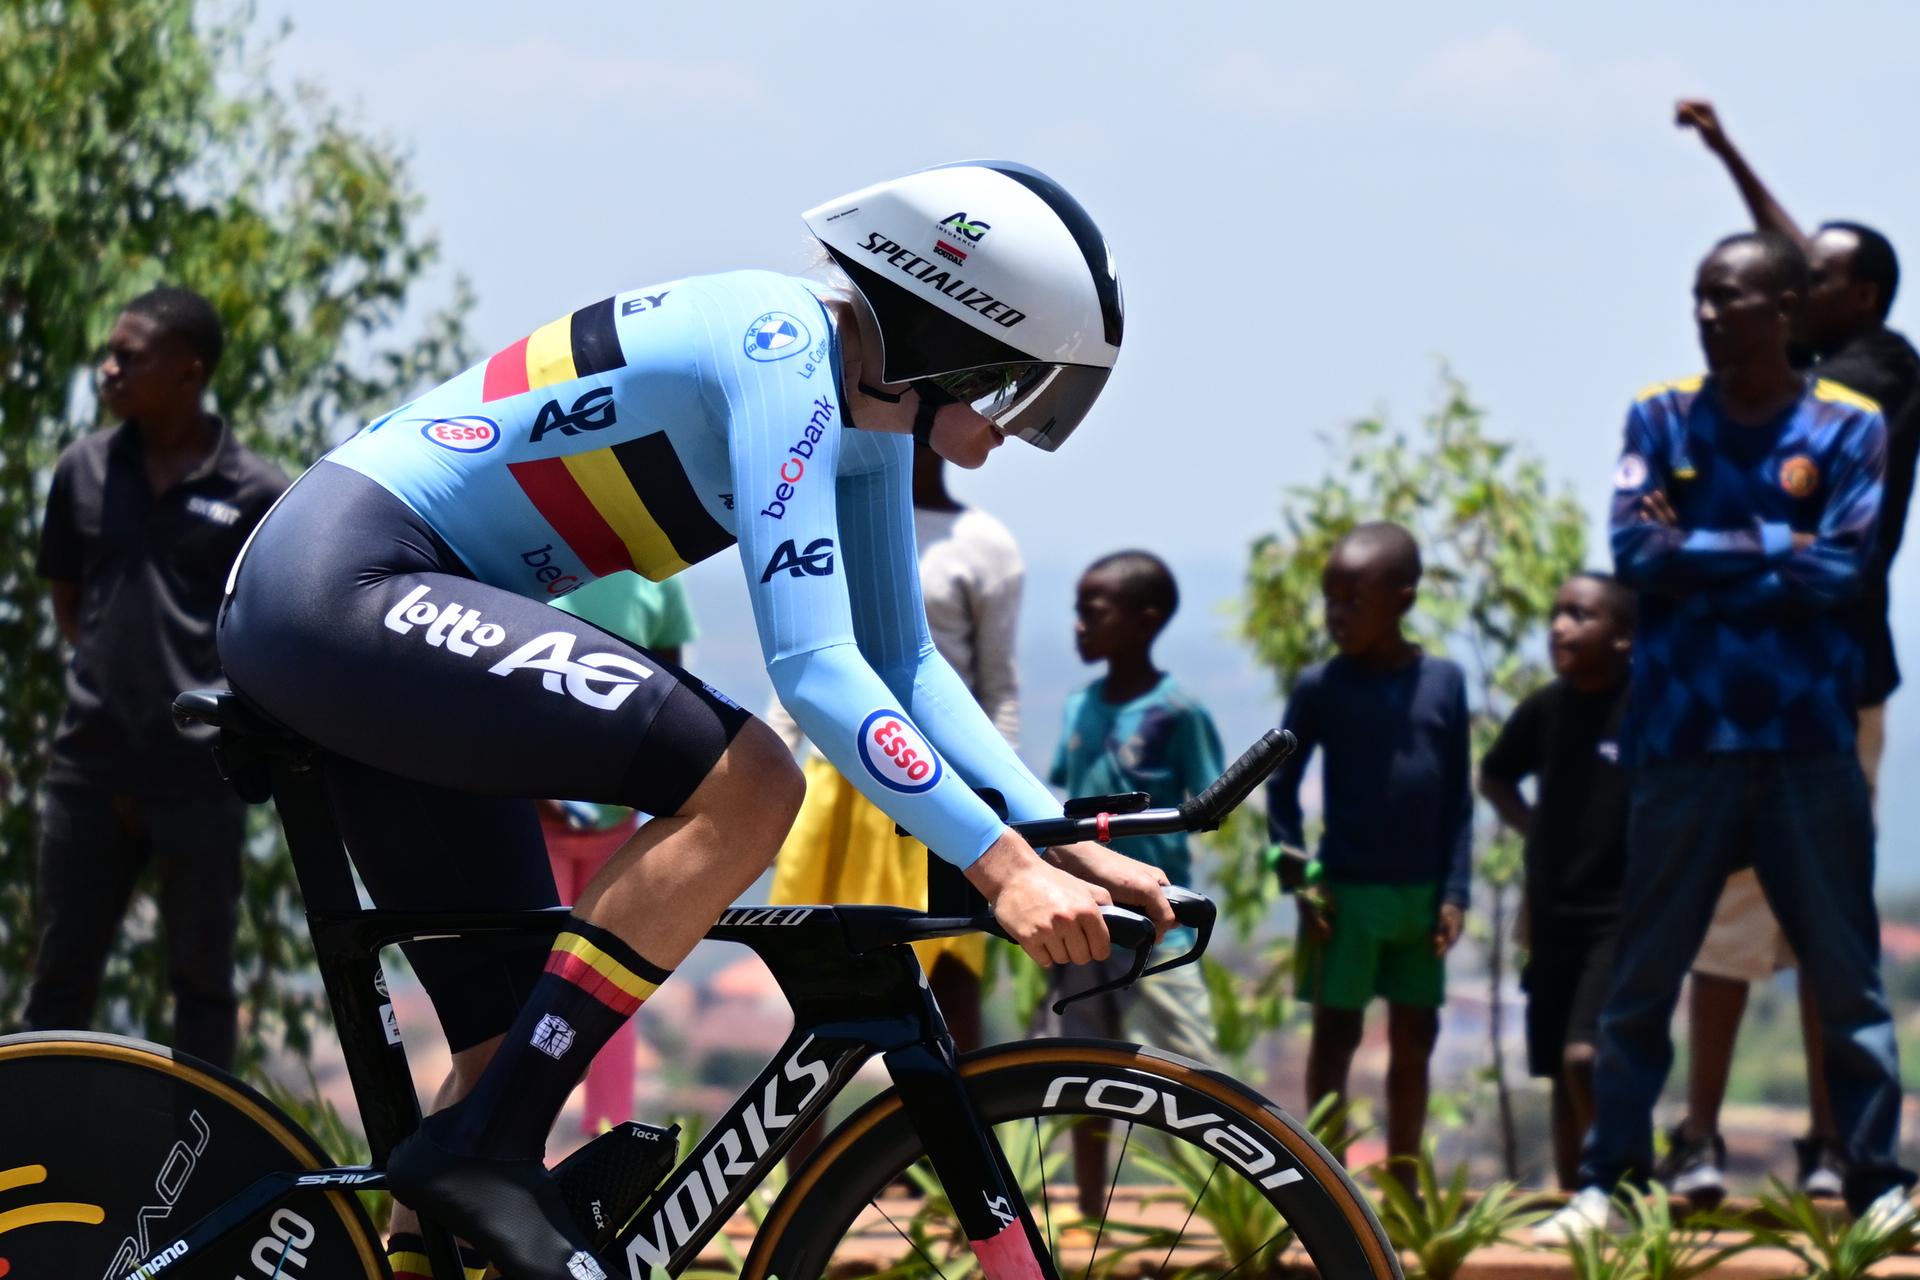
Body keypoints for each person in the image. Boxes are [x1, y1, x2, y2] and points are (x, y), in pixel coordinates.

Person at [215, 161, 1169, 1280]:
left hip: (371, 610)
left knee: (505, 1032)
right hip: (344, 585)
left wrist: (1058, 838)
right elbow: (816, 670)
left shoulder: (856, 410)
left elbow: (903, 665)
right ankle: (488, 1146)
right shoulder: (782, 352)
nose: (1009, 420)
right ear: (936, 332)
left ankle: (464, 1169)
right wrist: (1001, 868)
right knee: (755, 778)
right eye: (1004, 378)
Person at [1539, 231, 1913, 1240]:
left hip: (1806, 743)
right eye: (1701, 296)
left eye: (1732, 298)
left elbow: (1845, 570)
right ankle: (1608, 1183)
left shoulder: (1849, 423)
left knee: (1847, 981)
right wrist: (1776, 549)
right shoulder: (1660, 413)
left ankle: (1876, 1179)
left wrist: (1699, 548)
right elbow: (1631, 548)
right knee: (1643, 978)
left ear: (1786, 307)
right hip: (1684, 740)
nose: (1709, 315)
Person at [1667, 101, 1920, 1202]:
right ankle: (1703, 1142)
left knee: (1829, 913)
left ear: (1850, 297)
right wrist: (1728, 153)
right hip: (1747, 684)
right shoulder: (1834, 334)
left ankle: (1834, 1147)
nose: (1774, 295)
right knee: (1730, 917)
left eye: (1799, 282)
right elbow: (1793, 244)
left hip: (1829, 682)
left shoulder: (1876, 370)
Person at [27, 286, 288, 1071]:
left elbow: (269, 632)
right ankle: (33, 1159)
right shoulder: (82, 471)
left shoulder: (254, 491)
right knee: (58, 985)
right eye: (109, 354)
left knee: (202, 989)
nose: (107, 369)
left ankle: (201, 1177)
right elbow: (72, 606)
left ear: (188, 371)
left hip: (198, 782)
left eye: (128, 356)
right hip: (88, 771)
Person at [766, 443, 1024, 1057]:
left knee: (952, 983)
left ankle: (956, 1149)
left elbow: (997, 687)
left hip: (940, 793)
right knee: (819, 992)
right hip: (838, 790)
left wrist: (1006, 809)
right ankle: (814, 1154)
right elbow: (802, 661)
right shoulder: (830, 522)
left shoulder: (986, 545)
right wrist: (771, 775)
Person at [1264, 521, 1472, 1188]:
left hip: (1421, 897)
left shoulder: (1445, 683)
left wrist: (1457, 892)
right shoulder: (1321, 686)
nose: (1337, 616)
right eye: (1330, 600)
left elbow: (1458, 799)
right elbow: (1281, 783)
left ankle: (1406, 1186)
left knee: (1414, 1043)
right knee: (1335, 1040)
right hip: (1344, 896)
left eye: (1354, 601)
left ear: (1404, 599)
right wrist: (1296, 873)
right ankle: (1329, 1193)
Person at [1040, 549, 1224, 1218]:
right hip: (1087, 911)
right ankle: (1090, 1213)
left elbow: (1207, 806)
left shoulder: (1177, 711)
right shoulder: (1078, 706)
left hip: (1158, 916)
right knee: (1082, 1062)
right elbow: (1069, 797)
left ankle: (1218, 1212)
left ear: (1145, 622)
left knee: (1188, 1062)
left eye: (1094, 614)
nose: (1080, 628)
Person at [1479, 573, 1634, 1190]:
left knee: (1584, 1057)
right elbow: (1495, 776)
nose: (1559, 626)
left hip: (1618, 914)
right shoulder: (1547, 707)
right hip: (1551, 914)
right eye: (1557, 612)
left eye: (1580, 615)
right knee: (1557, 1069)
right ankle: (1577, 1202)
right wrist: (1534, 828)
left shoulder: (1645, 710)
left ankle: (1609, 1188)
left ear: (1624, 637)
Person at [542, 573, 697, 1138]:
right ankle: (544, 1138)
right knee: (566, 979)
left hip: (612, 811)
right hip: (551, 809)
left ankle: (598, 1137)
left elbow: (672, 692)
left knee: (599, 976)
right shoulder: (650, 580)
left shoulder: (656, 583)